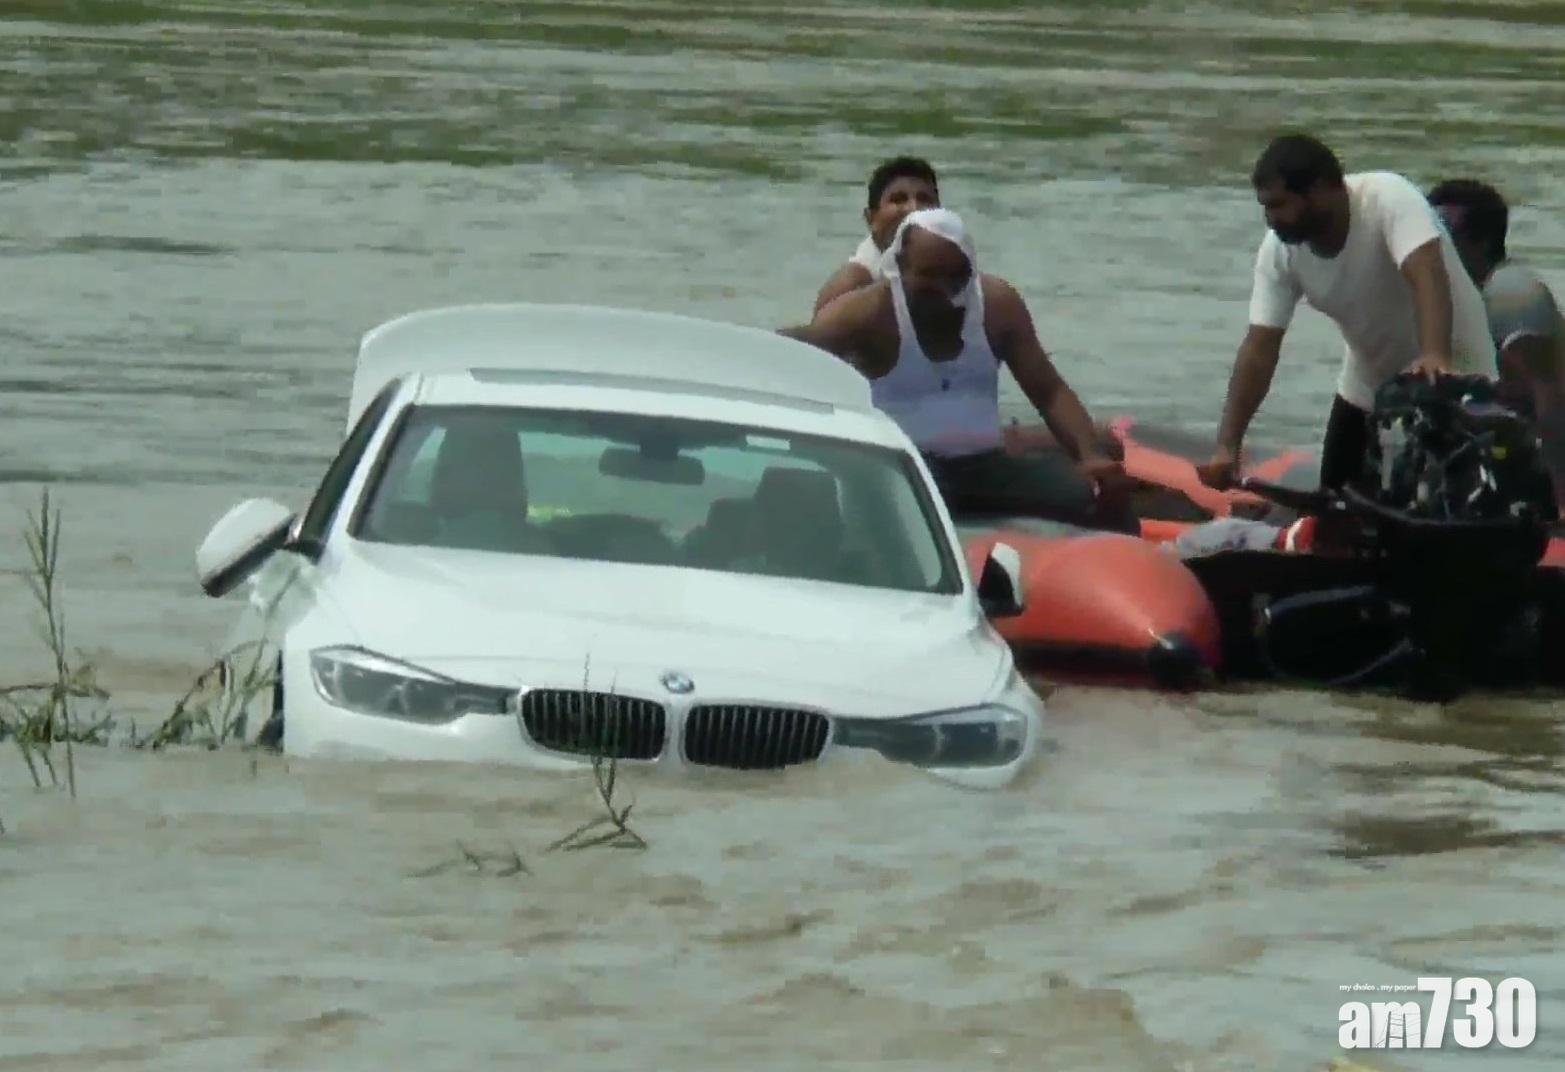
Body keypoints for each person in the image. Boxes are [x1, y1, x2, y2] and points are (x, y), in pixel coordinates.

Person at [780, 207, 1135, 533]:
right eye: (929, 276)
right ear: (900, 268)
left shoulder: (997, 305)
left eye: (955, 276)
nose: (943, 289)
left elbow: (1048, 390)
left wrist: (1090, 455)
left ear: (970, 269)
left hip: (985, 467)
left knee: (1085, 495)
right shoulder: (868, 312)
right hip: (907, 471)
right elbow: (798, 351)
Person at [1197, 134, 1498, 494]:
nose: (1271, 220)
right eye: (1265, 208)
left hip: (1454, 378)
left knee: (1445, 511)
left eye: (1279, 206)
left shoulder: (1387, 198)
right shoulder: (1280, 252)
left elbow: (1427, 273)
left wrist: (1434, 355)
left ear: (1323, 189)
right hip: (1367, 387)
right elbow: (1259, 348)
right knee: (1335, 507)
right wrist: (1228, 445)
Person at [1426, 178, 1565, 502]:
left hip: (1545, 463)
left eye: (1444, 235)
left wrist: (1562, 508)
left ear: (1482, 242)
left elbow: (1550, 398)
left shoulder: (1511, 291)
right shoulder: (1452, 300)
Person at [813, 156, 941, 316]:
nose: (913, 208)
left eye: (924, 199)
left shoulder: (958, 271)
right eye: (898, 199)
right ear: (871, 218)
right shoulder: (852, 286)